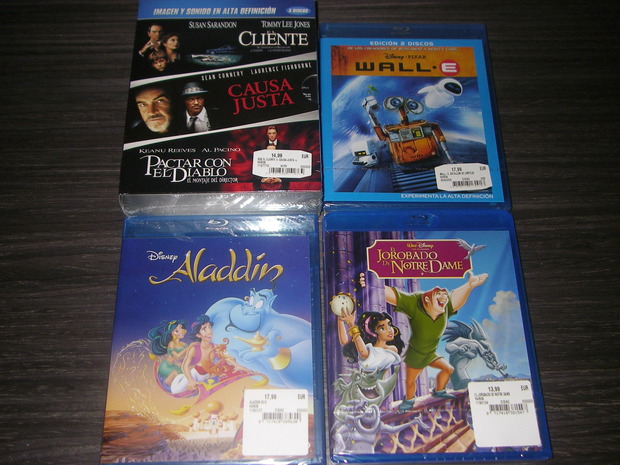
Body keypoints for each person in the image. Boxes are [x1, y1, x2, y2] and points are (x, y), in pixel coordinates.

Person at [384, 270, 488, 411]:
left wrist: (469, 285)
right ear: (428, 300)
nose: (444, 296)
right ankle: (408, 401)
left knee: (448, 369)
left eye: (445, 294)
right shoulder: (415, 303)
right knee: (410, 381)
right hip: (416, 354)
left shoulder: (445, 309)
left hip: (430, 353)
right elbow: (394, 296)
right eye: (438, 294)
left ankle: (439, 391)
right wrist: (366, 281)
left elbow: (455, 299)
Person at [338, 309, 404, 376]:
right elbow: (345, 343)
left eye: (389, 325)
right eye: (382, 328)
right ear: (373, 333)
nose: (389, 330)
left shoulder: (392, 349)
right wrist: (341, 321)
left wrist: (351, 324)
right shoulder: (370, 351)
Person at [148, 320, 189, 386]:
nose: (181, 332)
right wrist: (187, 348)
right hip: (166, 366)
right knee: (177, 374)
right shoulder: (171, 343)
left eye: (181, 328)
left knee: (186, 372)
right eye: (176, 331)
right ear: (171, 333)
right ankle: (167, 382)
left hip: (173, 365)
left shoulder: (182, 344)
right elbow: (177, 356)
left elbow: (190, 350)